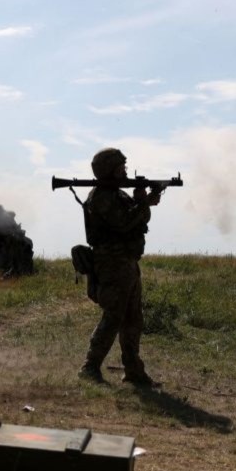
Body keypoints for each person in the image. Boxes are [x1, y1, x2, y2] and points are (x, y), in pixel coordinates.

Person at [77, 147, 162, 387]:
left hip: (127, 262)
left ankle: (134, 370)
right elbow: (124, 223)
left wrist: (143, 202)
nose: (125, 171)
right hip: (112, 264)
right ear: (109, 171)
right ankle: (90, 367)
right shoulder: (102, 197)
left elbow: (137, 219)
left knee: (133, 318)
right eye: (120, 168)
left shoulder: (117, 194)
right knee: (113, 316)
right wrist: (143, 203)